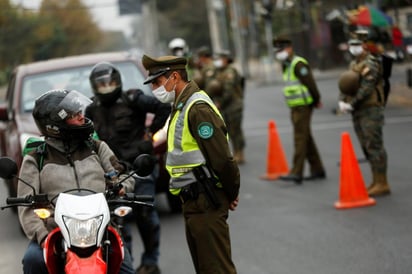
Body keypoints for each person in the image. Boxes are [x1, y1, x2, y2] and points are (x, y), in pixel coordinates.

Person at [19, 89, 136, 274]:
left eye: (80, 112)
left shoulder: (97, 147)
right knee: (33, 260)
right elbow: (25, 208)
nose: (82, 117)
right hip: (56, 232)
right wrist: (44, 238)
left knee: (125, 266)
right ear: (54, 125)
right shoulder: (36, 158)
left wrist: (121, 186)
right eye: (74, 115)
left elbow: (122, 175)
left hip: (100, 229)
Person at [141, 54, 240, 273]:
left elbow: (222, 160)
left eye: (157, 82)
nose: (155, 88)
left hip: (206, 198)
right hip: (193, 200)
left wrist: (231, 193)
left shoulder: (197, 108)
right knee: (206, 267)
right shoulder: (181, 106)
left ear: (174, 77)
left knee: (217, 268)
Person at [86, 62, 171, 274]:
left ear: (118, 82)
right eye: (101, 84)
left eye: (109, 83)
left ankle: (151, 261)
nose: (106, 87)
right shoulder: (91, 108)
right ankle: (127, 264)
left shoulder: (133, 99)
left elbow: (164, 107)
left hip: (139, 166)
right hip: (113, 172)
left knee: (144, 213)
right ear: (94, 87)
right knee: (117, 218)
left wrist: (150, 135)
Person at [338, 30, 390, 197]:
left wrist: (351, 104)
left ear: (364, 46)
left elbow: (366, 88)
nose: (353, 48)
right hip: (358, 110)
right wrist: (343, 101)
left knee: (374, 145)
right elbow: (347, 85)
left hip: (370, 110)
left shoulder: (371, 63)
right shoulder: (354, 64)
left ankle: (382, 182)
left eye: (356, 45)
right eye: (351, 45)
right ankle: (375, 180)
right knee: (365, 146)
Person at [272, 37, 326, 184]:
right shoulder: (286, 64)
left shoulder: (298, 64)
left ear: (289, 48)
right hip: (295, 106)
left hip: (303, 106)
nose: (279, 53)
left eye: (281, 50)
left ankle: (296, 172)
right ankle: (317, 169)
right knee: (306, 137)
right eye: (277, 51)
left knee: (299, 138)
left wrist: (316, 99)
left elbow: (310, 83)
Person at [214, 50, 246, 164]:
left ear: (226, 59)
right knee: (230, 130)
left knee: (235, 130)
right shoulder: (220, 72)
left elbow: (228, 91)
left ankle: (239, 153)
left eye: (220, 58)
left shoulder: (230, 72)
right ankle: (237, 152)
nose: (217, 61)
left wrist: (220, 103)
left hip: (233, 105)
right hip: (227, 106)